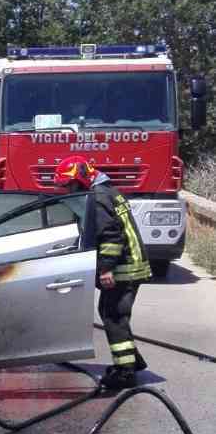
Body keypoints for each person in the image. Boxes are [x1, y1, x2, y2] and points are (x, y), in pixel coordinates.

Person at [53, 155, 151, 389]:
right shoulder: (108, 191)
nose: (66, 191)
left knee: (114, 317)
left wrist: (106, 269)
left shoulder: (97, 199)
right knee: (111, 312)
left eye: (68, 185)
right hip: (131, 263)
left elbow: (110, 237)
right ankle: (132, 362)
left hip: (123, 267)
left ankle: (125, 372)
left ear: (80, 180)